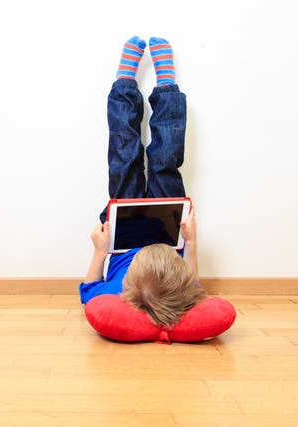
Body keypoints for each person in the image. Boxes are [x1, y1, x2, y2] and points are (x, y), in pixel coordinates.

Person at [79, 36, 206, 328]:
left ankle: (124, 83)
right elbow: (194, 283)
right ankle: (166, 85)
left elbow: (88, 292)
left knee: (124, 157)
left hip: (125, 231)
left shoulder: (117, 293)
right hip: (168, 233)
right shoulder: (178, 294)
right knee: (165, 161)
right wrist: (192, 241)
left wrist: (100, 250)